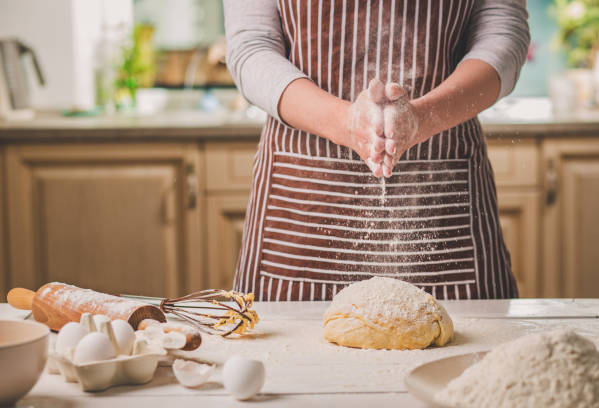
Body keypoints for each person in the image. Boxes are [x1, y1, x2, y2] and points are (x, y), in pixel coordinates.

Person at [223, 0, 530, 301]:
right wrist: (345, 122)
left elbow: (502, 36)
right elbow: (252, 47)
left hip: (443, 207)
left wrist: (423, 118)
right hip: (301, 207)